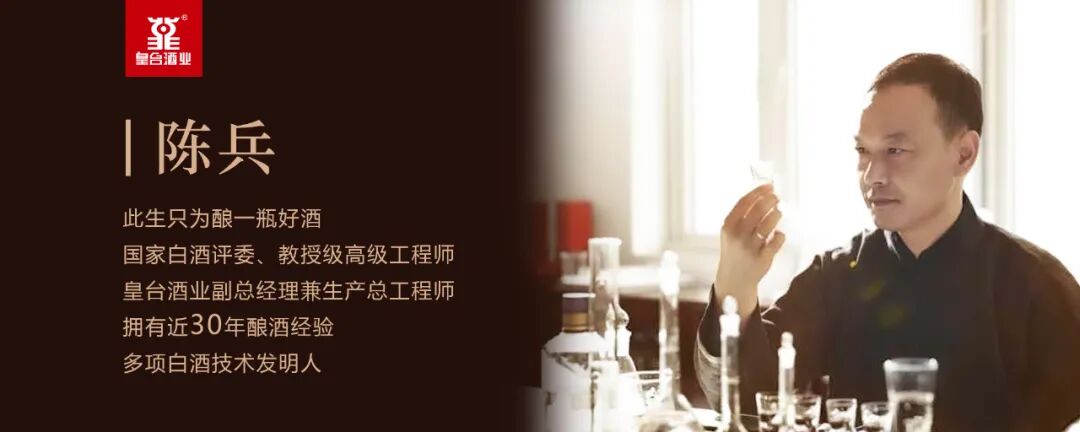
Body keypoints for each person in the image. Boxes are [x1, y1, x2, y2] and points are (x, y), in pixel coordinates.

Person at [694, 53, 1080, 431]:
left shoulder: (1038, 287)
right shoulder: (837, 274)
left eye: (896, 150)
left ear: (964, 154)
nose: (872, 175)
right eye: (863, 151)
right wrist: (734, 287)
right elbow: (749, 407)